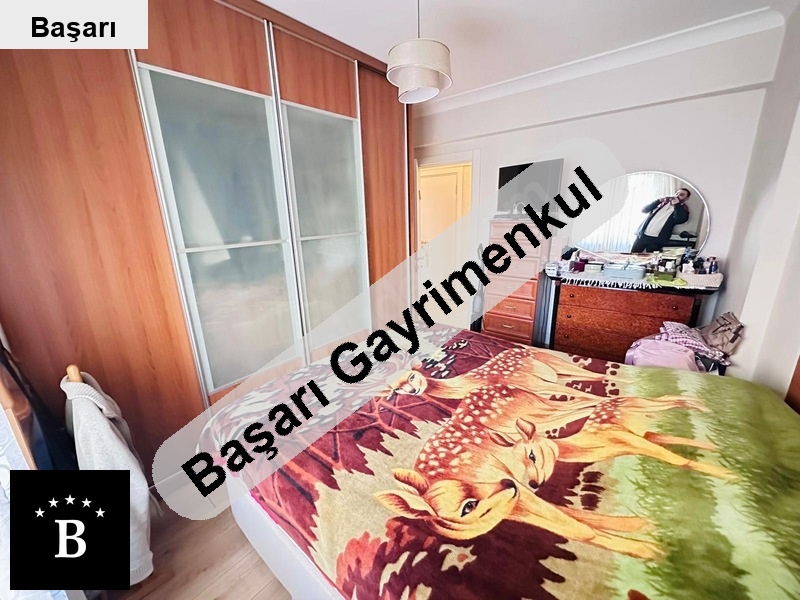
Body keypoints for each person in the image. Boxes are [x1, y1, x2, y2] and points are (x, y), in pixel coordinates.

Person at [631, 188, 691, 253]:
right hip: (642, 235)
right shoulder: (662, 203)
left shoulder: (683, 209)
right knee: (632, 255)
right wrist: (658, 201)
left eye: (681, 195)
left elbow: (680, 219)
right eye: (676, 193)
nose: (677, 196)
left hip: (657, 240)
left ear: (686, 198)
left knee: (652, 258)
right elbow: (644, 210)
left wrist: (677, 204)